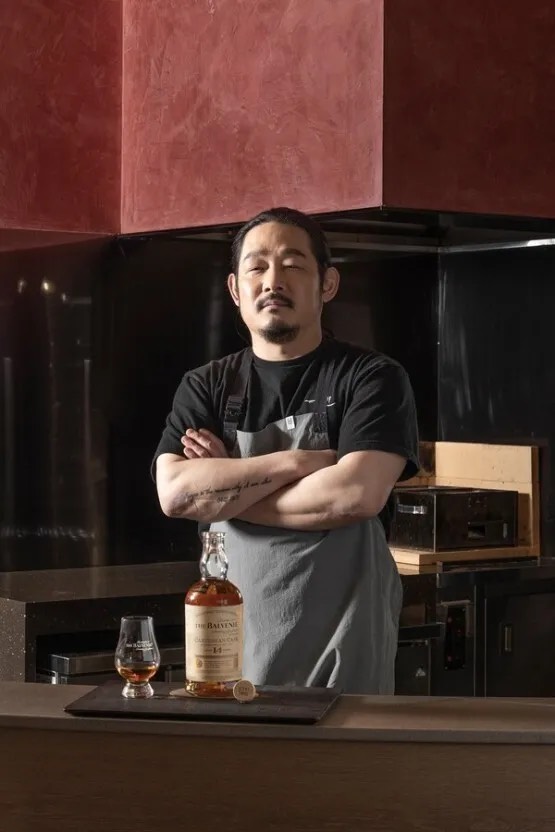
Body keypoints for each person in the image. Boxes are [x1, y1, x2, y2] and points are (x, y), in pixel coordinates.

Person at [153, 207, 419, 694]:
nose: (273, 280)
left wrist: (226, 488)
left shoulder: (372, 378)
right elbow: (176, 495)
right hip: (235, 651)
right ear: (236, 290)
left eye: (293, 265)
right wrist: (296, 463)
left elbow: (353, 496)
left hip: (344, 651)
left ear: (327, 284)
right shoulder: (207, 386)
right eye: (256, 266)